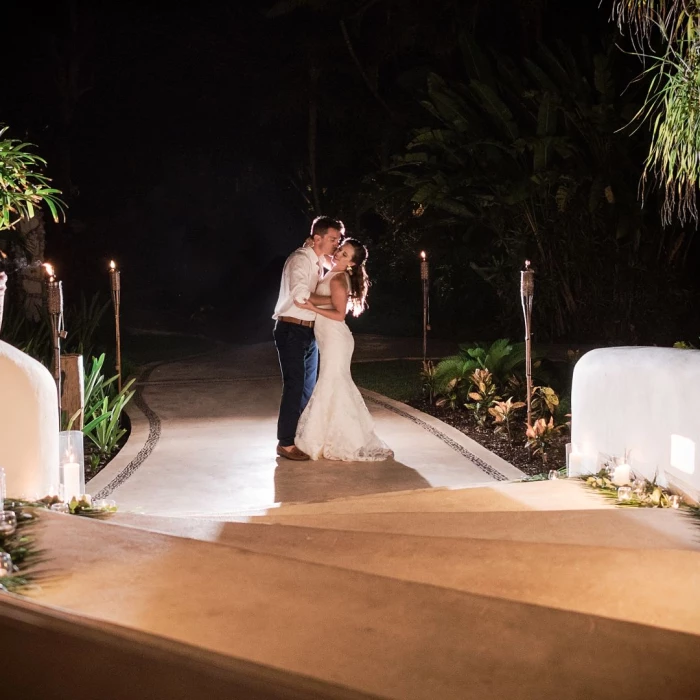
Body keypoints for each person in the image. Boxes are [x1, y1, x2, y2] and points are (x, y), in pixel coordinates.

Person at [293, 238, 393, 461]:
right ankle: (332, 434)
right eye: (340, 250)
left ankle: (344, 439)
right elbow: (323, 256)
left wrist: (311, 306)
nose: (338, 254)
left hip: (335, 338)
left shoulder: (338, 278)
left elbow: (339, 314)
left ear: (352, 264)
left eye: (345, 255)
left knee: (332, 383)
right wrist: (310, 244)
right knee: (334, 384)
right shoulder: (335, 269)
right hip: (329, 337)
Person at [273, 216, 344, 460]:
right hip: (292, 329)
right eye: (333, 239)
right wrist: (336, 301)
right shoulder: (300, 260)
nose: (337, 244)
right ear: (317, 238)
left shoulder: (316, 262)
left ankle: (300, 435)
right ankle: (285, 442)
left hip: (308, 331)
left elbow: (335, 263)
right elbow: (301, 296)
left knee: (307, 387)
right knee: (295, 385)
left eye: (338, 239)